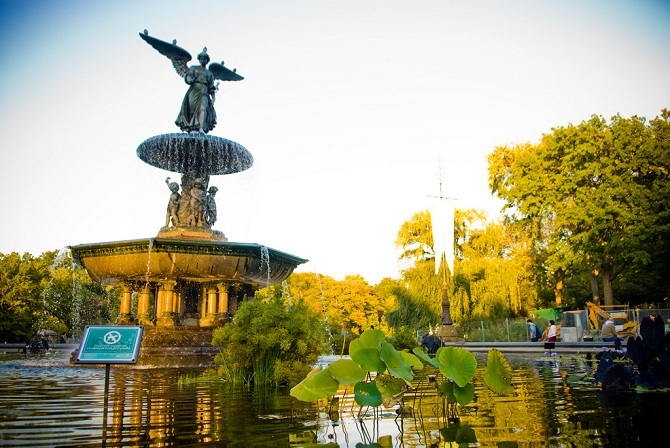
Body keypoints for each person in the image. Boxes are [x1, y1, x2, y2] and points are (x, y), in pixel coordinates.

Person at [176, 49, 218, 133]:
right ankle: (191, 126)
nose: (203, 60)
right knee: (191, 110)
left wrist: (213, 97)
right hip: (194, 90)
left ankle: (201, 128)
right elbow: (188, 76)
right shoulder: (194, 68)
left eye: (205, 58)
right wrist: (189, 79)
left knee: (203, 107)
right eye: (201, 58)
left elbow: (211, 87)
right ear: (199, 59)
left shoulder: (209, 74)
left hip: (204, 91)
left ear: (207, 61)